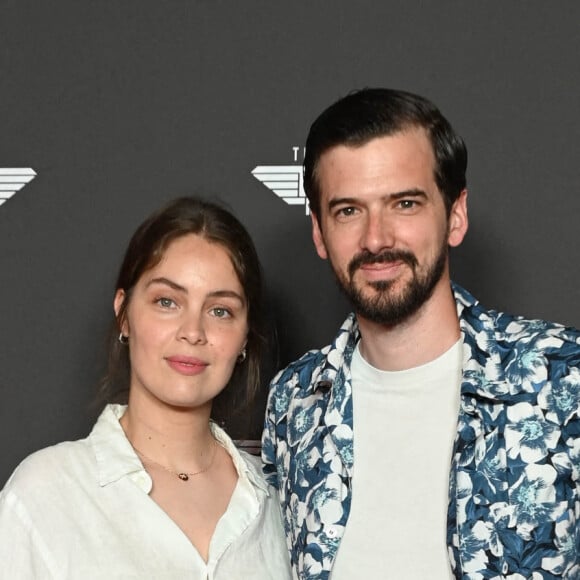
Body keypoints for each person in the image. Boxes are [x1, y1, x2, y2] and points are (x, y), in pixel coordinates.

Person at [262, 88, 580, 579]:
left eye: (404, 204)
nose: (376, 238)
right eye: (348, 211)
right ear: (320, 235)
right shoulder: (294, 402)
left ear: (455, 215)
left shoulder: (564, 380)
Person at [0, 197, 291, 579]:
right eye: (167, 301)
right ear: (124, 314)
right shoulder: (45, 494)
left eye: (220, 310)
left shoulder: (279, 503)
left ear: (244, 338)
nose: (193, 332)